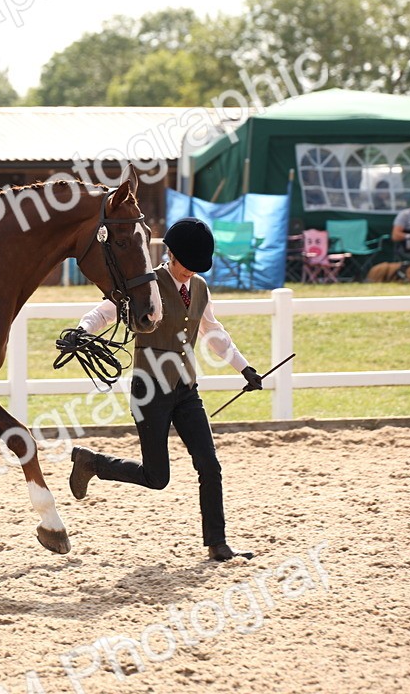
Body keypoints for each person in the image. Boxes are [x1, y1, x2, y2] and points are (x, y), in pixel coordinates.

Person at [67, 217, 263, 562]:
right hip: (150, 389)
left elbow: (213, 332)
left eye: (196, 267)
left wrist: (243, 367)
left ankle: (217, 543)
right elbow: (104, 313)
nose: (190, 272)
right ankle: (92, 463)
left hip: (186, 388)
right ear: (169, 253)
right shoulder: (146, 284)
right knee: (157, 478)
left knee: (209, 465)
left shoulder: (200, 288)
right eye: (186, 265)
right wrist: (81, 329)